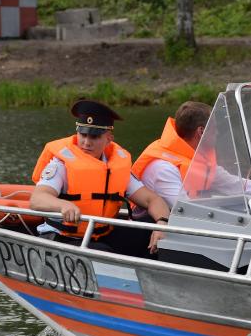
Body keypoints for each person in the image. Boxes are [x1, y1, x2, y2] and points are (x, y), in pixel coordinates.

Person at [30, 99, 171, 256]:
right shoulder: (62, 164)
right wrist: (63, 205)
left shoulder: (116, 166)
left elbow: (152, 200)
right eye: (82, 135)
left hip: (101, 234)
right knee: (103, 252)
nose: (86, 142)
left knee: (149, 230)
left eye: (94, 137)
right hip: (64, 237)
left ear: (109, 138)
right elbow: (37, 199)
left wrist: (161, 224)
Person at [131, 101, 251, 208]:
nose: (218, 133)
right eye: (215, 128)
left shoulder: (198, 162)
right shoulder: (163, 168)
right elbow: (183, 209)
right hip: (158, 235)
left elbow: (240, 186)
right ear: (201, 132)